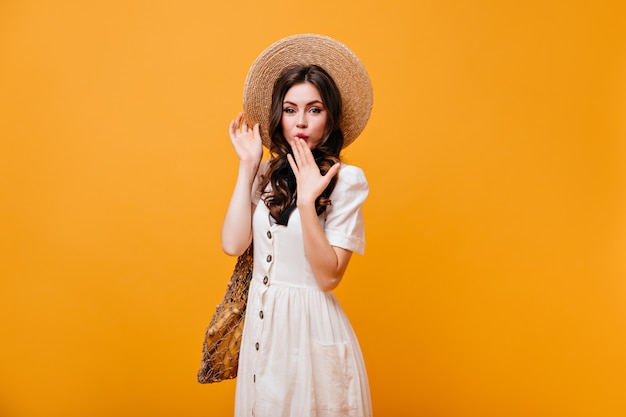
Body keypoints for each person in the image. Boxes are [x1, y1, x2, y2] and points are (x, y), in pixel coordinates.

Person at [221, 34, 374, 417]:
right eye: (290, 110)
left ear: (330, 117)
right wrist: (247, 166)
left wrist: (308, 202)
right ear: (279, 115)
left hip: (310, 331)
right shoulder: (266, 174)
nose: (301, 122)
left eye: (314, 109)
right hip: (263, 328)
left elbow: (328, 278)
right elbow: (232, 243)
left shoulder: (347, 180)